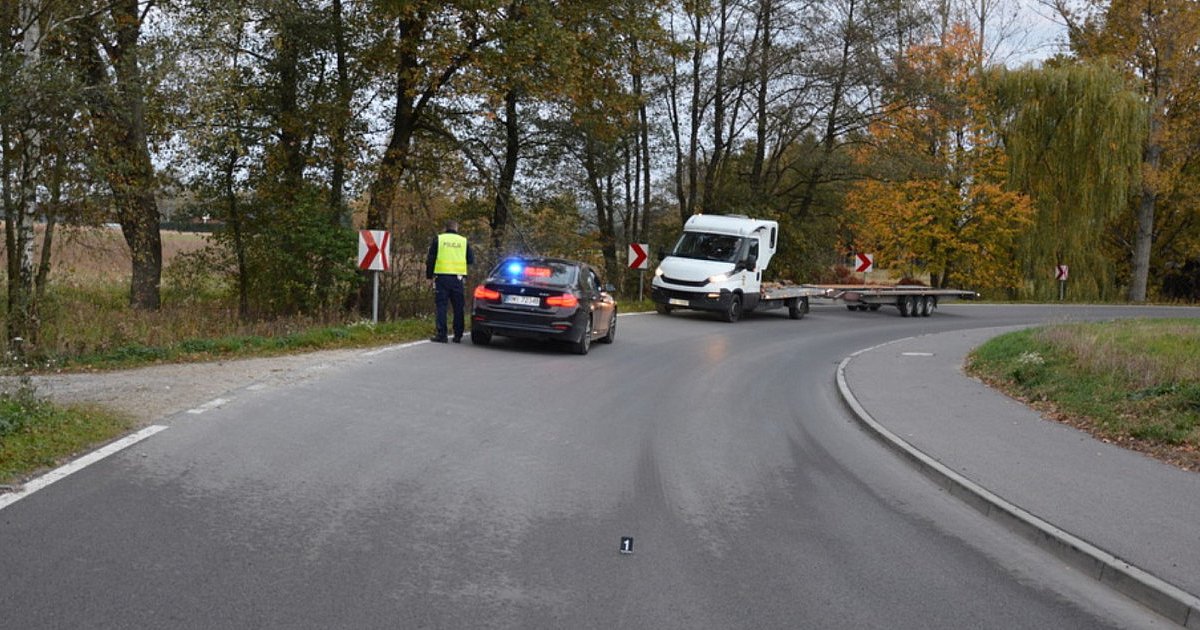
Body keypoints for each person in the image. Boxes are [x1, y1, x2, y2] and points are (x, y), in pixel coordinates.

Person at [425, 219, 474, 343]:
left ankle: (442, 334)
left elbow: (431, 259)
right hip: (458, 278)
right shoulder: (463, 241)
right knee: (458, 307)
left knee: (441, 306)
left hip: (442, 277)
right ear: (457, 228)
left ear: (446, 228)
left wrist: (429, 277)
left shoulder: (439, 239)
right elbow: (470, 260)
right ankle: (458, 335)